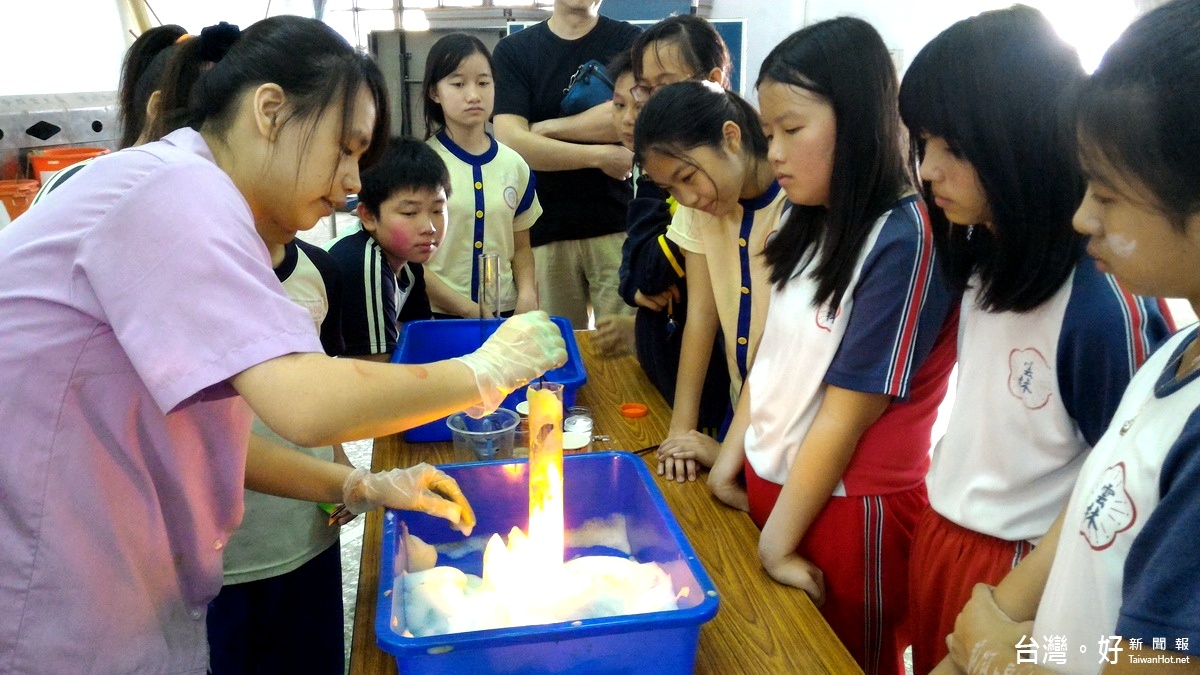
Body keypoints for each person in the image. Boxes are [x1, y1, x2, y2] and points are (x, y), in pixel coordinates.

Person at [0, 16, 565, 673]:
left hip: (110, 571)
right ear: (270, 111)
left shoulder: (193, 200)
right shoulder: (172, 194)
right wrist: (484, 370)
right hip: (54, 588)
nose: (354, 180)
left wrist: (358, 483)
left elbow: (206, 435)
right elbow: (303, 399)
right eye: (345, 148)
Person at [896, 7, 1172, 673]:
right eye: (922, 143)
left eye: (954, 148)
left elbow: (1125, 503)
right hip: (944, 534)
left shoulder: (1102, 303)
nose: (927, 171)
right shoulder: (982, 254)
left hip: (1020, 572)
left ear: (1021, 141)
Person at [695, 19, 956, 675]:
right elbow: (773, 360)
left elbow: (846, 413)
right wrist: (731, 463)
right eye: (769, 130)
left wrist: (776, 543)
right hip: (776, 488)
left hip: (848, 511)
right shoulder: (803, 215)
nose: (773, 150)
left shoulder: (904, 237)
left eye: (793, 129)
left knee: (841, 660)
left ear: (860, 120)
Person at [593, 16, 736, 478]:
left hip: (719, 388)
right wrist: (635, 288)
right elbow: (636, 272)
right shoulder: (657, 163)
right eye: (644, 90)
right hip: (671, 377)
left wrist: (644, 273)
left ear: (714, 82)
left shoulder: (714, 182)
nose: (645, 107)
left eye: (665, 87)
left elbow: (656, 270)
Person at [207, 236, 350, 674]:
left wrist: (338, 458)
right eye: (339, 161)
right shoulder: (190, 270)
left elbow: (322, 381)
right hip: (224, 551)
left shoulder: (318, 267)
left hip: (307, 528)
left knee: (316, 657)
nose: (350, 183)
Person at [634, 81, 788, 481]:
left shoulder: (794, 202)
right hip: (740, 409)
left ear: (731, 137)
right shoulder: (699, 208)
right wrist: (679, 432)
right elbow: (701, 318)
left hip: (793, 421)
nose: (687, 198)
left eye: (688, 176)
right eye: (671, 189)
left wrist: (726, 453)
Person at [491, 0, 641, 329]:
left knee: (622, 354)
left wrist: (545, 128)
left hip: (616, 227)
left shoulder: (633, 44)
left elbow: (626, 119)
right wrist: (600, 157)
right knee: (554, 351)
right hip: (544, 231)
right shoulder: (515, 51)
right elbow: (512, 143)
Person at [421, 33, 541, 319]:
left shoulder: (515, 165)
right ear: (435, 92)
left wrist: (527, 294)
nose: (473, 95)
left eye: (484, 83)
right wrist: (470, 310)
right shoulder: (421, 166)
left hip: (504, 312)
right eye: (458, 83)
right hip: (438, 315)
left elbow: (521, 247)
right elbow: (411, 262)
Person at [325, 137, 446, 360]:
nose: (429, 227)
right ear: (368, 216)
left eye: (437, 210)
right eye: (410, 213)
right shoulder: (363, 264)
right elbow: (374, 372)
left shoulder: (408, 263)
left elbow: (424, 340)